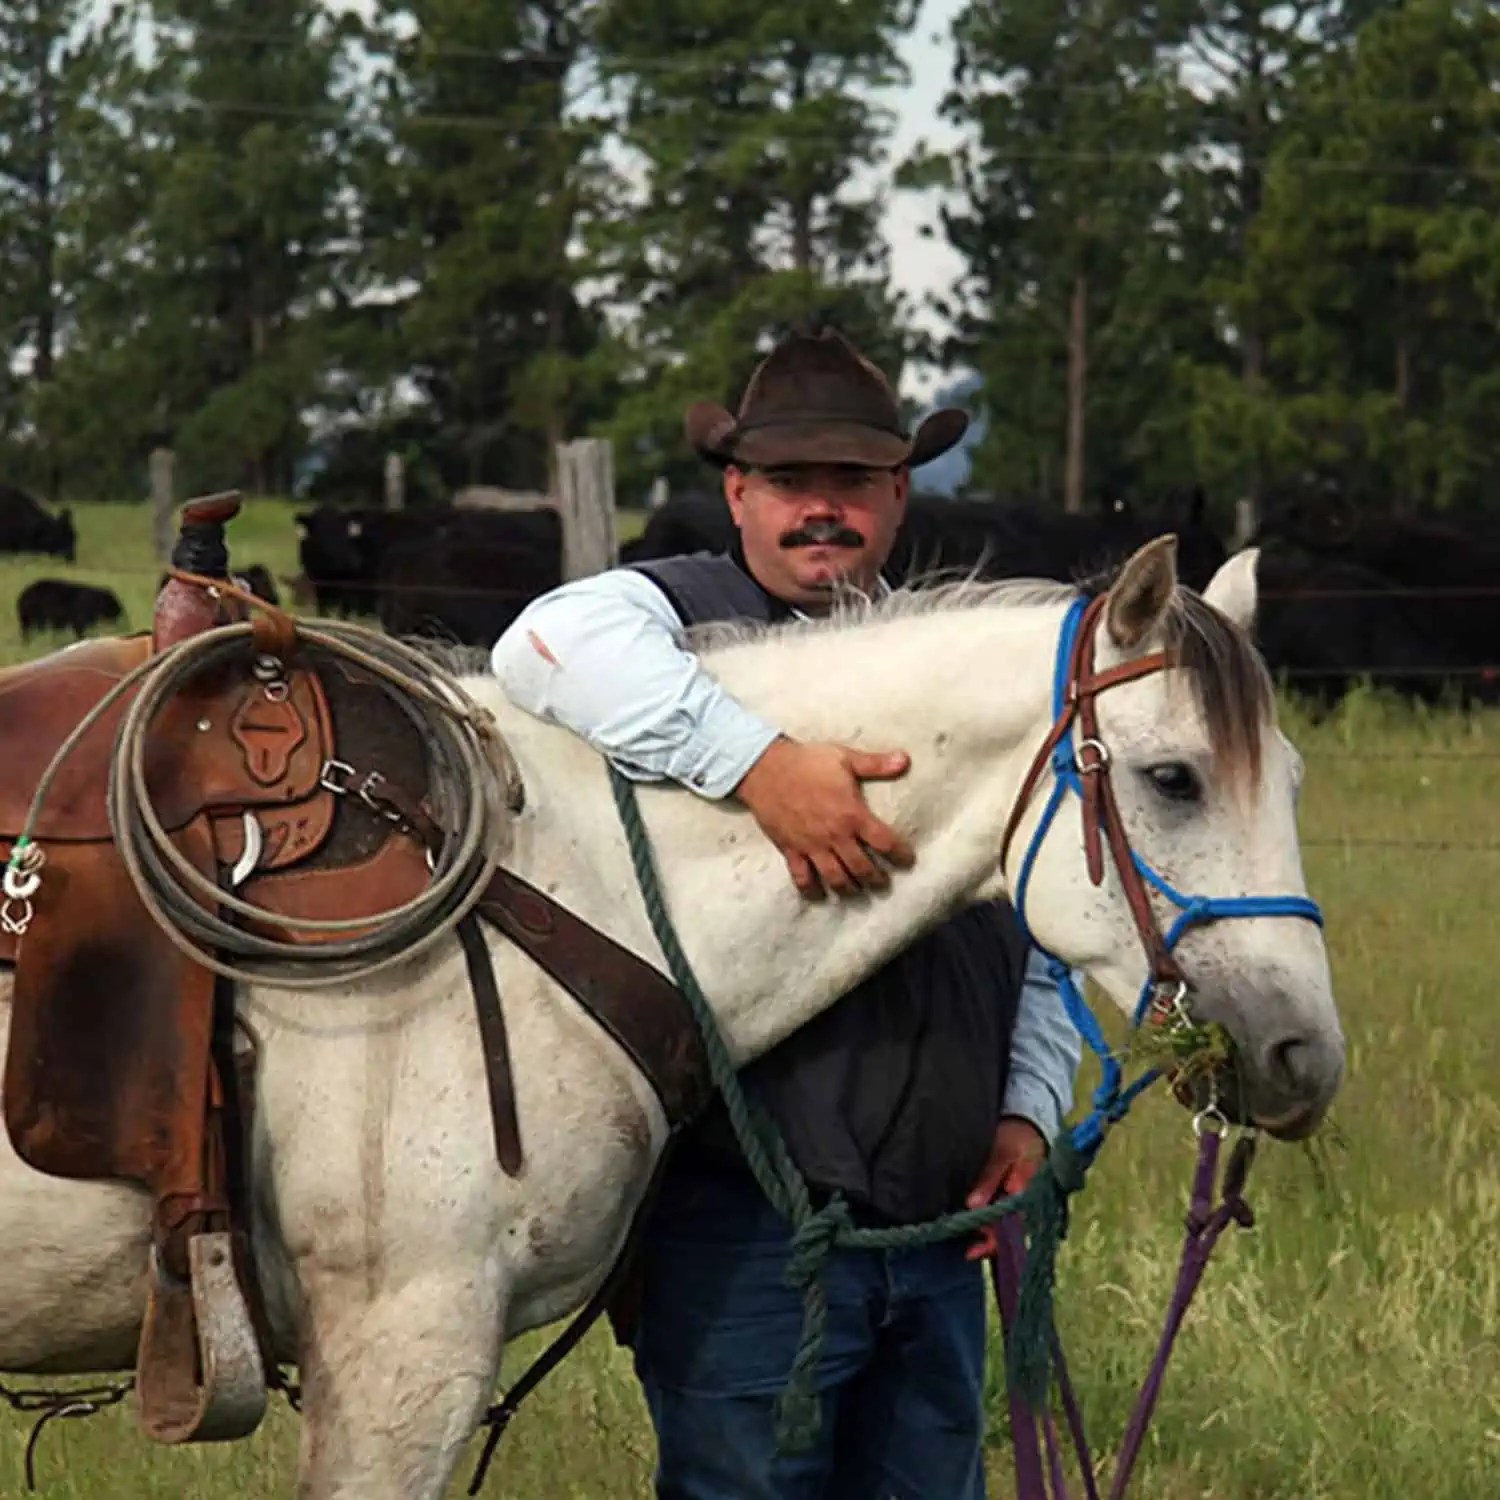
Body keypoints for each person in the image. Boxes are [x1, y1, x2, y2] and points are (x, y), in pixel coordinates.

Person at [491, 327, 1083, 1500]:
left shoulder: (945, 660)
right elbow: (541, 643)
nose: (825, 511)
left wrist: (1028, 1107)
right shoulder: (680, 610)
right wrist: (759, 763)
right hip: (749, 1222)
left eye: (853, 484)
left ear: (900, 495)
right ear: (737, 493)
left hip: (936, 1228)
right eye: (792, 484)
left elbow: (1042, 912)